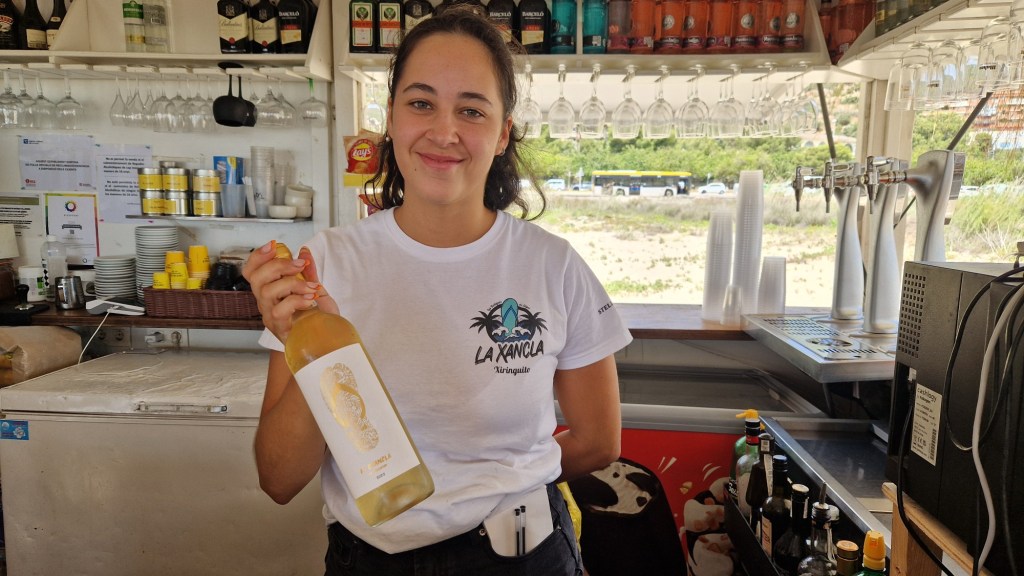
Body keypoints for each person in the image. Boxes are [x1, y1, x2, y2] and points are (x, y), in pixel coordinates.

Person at [242, 7, 632, 575]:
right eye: (421, 103)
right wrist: (322, 345)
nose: (444, 132)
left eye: (471, 110)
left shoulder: (553, 264)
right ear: (391, 119)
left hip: (522, 557)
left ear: (502, 133)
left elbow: (599, 440)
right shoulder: (322, 265)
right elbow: (279, 480)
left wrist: (501, 486)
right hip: (369, 562)